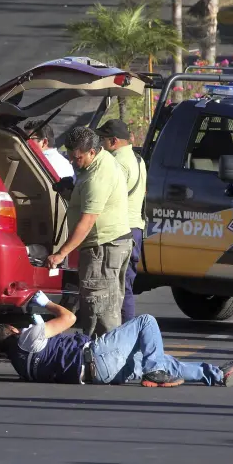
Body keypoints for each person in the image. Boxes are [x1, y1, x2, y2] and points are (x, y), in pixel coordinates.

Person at [0, 291, 233, 387]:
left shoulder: (21, 367)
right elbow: (68, 318)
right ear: (13, 331)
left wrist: (41, 326)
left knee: (159, 359)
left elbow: (52, 352)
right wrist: (46, 302)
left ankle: (216, 375)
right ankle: (154, 371)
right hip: (97, 355)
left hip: (98, 375)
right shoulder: (27, 338)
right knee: (146, 322)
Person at [44, 127, 131, 338]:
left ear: (92, 151)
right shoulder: (97, 162)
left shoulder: (97, 177)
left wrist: (61, 253)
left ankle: (103, 354)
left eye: (77, 158)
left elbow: (87, 221)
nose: (73, 162)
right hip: (112, 244)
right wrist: (72, 192)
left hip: (103, 248)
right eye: (70, 157)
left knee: (100, 312)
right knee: (107, 307)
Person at [96, 119, 146, 324]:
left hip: (120, 231)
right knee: (125, 285)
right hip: (135, 229)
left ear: (114, 141)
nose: (100, 143)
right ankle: (126, 330)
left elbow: (107, 196)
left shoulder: (116, 163)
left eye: (102, 139)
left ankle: (124, 331)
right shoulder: (138, 159)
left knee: (118, 287)